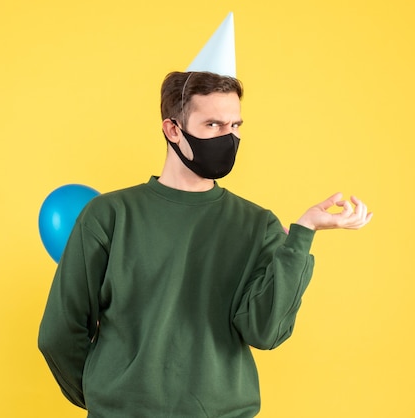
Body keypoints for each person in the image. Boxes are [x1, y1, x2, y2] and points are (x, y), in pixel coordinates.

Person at [38, 71, 372, 417]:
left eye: (235, 126)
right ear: (172, 129)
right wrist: (106, 397)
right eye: (213, 124)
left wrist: (301, 236)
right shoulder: (110, 215)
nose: (229, 137)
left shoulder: (257, 225)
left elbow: (265, 332)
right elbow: (58, 333)